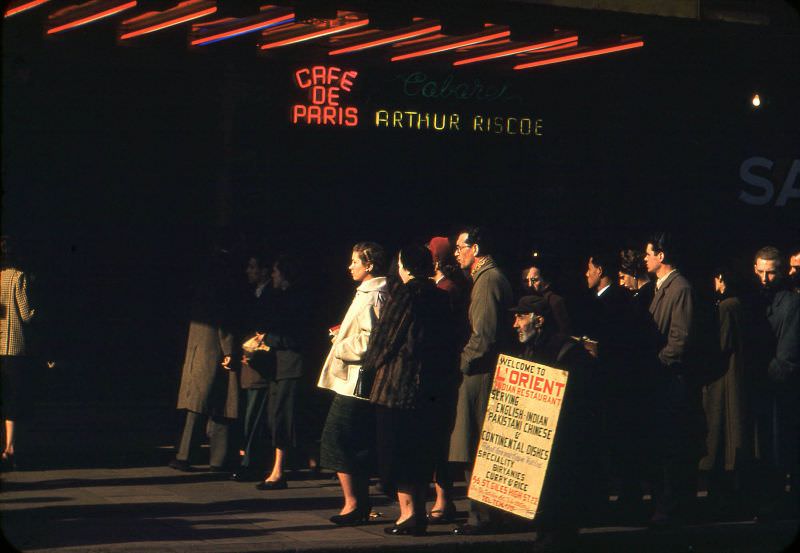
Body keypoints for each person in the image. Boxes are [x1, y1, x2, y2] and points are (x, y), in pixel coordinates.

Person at [361, 245, 458, 536]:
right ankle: (417, 513)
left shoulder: (406, 293)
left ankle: (409, 514)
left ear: (404, 265)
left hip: (398, 386)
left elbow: (387, 337)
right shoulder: (441, 297)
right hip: (431, 386)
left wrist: (369, 366)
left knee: (396, 451)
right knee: (419, 451)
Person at [510, 295, 593, 550]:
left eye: (521, 316)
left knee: (558, 519)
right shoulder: (533, 348)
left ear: (540, 320)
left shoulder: (566, 351)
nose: (515, 324)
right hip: (541, 448)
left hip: (562, 448)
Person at [318, 242, 388, 526]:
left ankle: (354, 503)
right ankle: (356, 503)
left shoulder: (375, 295)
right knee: (348, 440)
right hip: (354, 380)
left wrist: (341, 344)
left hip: (357, 380)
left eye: (355, 261)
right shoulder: (368, 293)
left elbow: (372, 340)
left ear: (369, 265)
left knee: (338, 438)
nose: (350, 266)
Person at [449, 227, 513, 535]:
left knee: (475, 443)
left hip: (481, 373)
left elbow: (483, 336)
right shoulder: (488, 279)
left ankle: (482, 516)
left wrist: (460, 364)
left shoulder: (487, 281)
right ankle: (487, 515)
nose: (456, 252)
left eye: (460, 246)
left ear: (475, 249)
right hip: (485, 369)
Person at [643, 232, 701, 526]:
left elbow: (680, 339)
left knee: (672, 448)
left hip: (671, 383)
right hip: (663, 381)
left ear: (661, 256)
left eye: (648, 253)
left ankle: (672, 508)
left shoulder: (680, 289)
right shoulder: (663, 288)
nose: (645, 258)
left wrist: (657, 364)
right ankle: (667, 505)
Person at [583, 250, 644, 519]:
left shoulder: (611, 301)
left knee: (616, 445)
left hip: (611, 385)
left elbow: (612, 344)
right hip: (614, 384)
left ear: (599, 269)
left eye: (589, 268)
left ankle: (623, 501)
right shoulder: (612, 299)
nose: (586, 274)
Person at [169, 250, 240, 472]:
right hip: (214, 353)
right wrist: (230, 350)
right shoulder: (223, 291)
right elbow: (224, 326)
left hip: (198, 352)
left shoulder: (201, 289)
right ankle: (218, 459)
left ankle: (185, 454)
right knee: (221, 404)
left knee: (198, 405)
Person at [750, 246, 800, 519]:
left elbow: (788, 356)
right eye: (761, 272)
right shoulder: (757, 300)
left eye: (770, 273)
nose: (765, 279)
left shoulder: (791, 303)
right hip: (764, 388)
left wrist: (761, 372)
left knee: (778, 449)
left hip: (778, 391)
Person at [698, 266, 751, 516]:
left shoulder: (726, 306)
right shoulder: (741, 304)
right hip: (737, 377)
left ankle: (722, 501)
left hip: (724, 380)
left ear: (721, 279)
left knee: (722, 437)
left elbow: (721, 344)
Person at [425, 235, 469, 524]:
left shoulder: (446, 289)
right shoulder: (443, 287)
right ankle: (443, 498)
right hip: (441, 370)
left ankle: (444, 499)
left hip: (441, 372)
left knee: (439, 438)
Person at [254, 255, 306, 490]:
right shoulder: (282, 298)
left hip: (290, 366)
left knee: (282, 418)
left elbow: (296, 337)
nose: (272, 276)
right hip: (279, 366)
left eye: (275, 272)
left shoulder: (296, 300)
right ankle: (283, 466)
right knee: (277, 417)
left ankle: (278, 470)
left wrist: (268, 338)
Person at [230, 254, 274, 482]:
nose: (249, 271)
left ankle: (251, 462)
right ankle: (248, 459)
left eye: (253, 266)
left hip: (260, 363)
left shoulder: (269, 295)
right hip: (250, 360)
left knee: (254, 414)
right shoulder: (254, 294)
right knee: (249, 412)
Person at [1, 236, 35, 470]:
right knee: (13, 397)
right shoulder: (18, 277)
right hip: (13, 346)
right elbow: (26, 314)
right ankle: (9, 448)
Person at [522, 256, 571, 337]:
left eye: (534, 280)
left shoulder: (555, 301)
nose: (530, 285)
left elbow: (565, 331)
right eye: (528, 280)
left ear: (546, 281)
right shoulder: (536, 298)